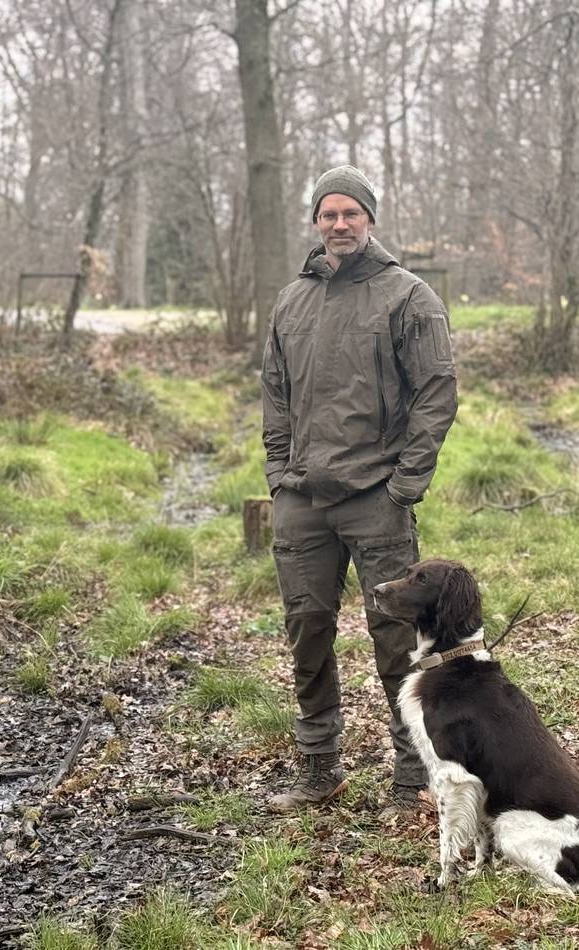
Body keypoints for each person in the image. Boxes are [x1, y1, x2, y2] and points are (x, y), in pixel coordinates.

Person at [261, 164, 458, 813]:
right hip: (302, 500)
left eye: (351, 213)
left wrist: (404, 485)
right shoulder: (291, 300)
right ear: (316, 222)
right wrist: (278, 475)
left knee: (396, 638)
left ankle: (412, 776)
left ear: (370, 218)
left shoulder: (408, 296)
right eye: (329, 213)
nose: (339, 223)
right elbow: (274, 393)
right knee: (306, 631)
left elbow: (436, 393)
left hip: (378, 497)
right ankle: (320, 768)